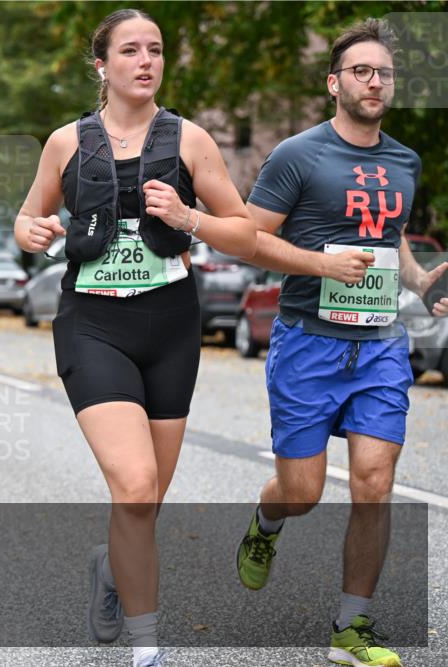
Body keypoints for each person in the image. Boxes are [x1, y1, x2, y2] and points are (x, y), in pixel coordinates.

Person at [13, 9, 256, 667]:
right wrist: (28, 231)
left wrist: (190, 217)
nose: (146, 60)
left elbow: (244, 231)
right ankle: (147, 647)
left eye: (155, 49)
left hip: (171, 323)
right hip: (92, 322)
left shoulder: (192, 141)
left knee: (143, 505)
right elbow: (30, 215)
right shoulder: (67, 142)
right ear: (103, 65)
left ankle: (112, 565)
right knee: (137, 484)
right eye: (130, 50)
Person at [236, 18, 448, 667]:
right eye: (361, 70)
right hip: (308, 344)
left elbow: (393, 238)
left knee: (374, 482)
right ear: (334, 83)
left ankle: (351, 626)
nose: (375, 80)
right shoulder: (298, 155)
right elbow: (250, 236)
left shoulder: (404, 160)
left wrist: (419, 280)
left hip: (380, 344)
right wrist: (319, 263)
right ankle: (266, 522)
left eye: (383, 71)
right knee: (301, 491)